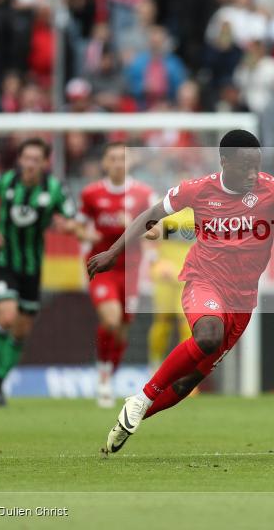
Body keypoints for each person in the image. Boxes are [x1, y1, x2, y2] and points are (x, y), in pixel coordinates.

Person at [88, 130, 274, 454]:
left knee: (188, 381)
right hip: (204, 279)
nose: (253, 173)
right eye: (245, 167)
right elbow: (151, 214)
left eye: (257, 165)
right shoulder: (198, 189)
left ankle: (133, 417)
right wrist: (113, 253)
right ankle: (142, 397)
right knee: (208, 335)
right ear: (224, 162)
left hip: (242, 298)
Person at [0, 138, 79, 407]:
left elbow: (73, 219)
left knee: (21, 331)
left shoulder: (55, 189)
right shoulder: (6, 181)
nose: (31, 164)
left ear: (45, 163)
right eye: (27, 158)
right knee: (8, 315)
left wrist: (67, 225)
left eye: (37, 159)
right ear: (20, 160)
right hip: (4, 260)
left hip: (32, 268)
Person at [78, 143, 157, 407]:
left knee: (123, 330)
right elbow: (79, 228)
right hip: (103, 267)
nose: (117, 163)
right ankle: (102, 374)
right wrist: (89, 234)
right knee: (110, 320)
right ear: (104, 162)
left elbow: (156, 231)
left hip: (131, 269)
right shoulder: (91, 194)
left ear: (130, 162)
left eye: (122, 159)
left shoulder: (144, 194)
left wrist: (137, 229)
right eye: (112, 158)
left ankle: (108, 377)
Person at [146, 207, 196, 371]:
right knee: (162, 324)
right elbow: (148, 237)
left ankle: (183, 371)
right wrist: (155, 263)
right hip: (165, 275)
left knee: (187, 325)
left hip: (188, 278)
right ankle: (155, 365)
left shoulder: (205, 211)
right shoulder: (167, 209)